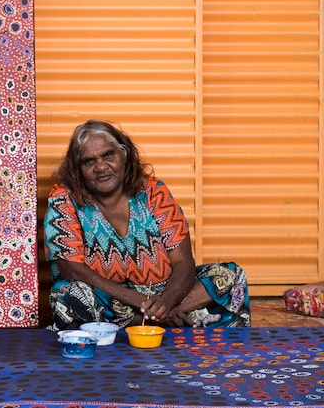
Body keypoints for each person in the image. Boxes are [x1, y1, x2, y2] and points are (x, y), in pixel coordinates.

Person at [44, 119, 250, 331]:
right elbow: (71, 268)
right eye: (89, 161)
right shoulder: (65, 199)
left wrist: (164, 303)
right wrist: (141, 301)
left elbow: (183, 262)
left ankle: (146, 320)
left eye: (108, 155)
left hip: (166, 295)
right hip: (110, 298)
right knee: (66, 294)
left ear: (124, 154)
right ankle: (155, 321)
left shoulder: (153, 192)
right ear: (78, 169)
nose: (101, 167)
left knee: (230, 276)